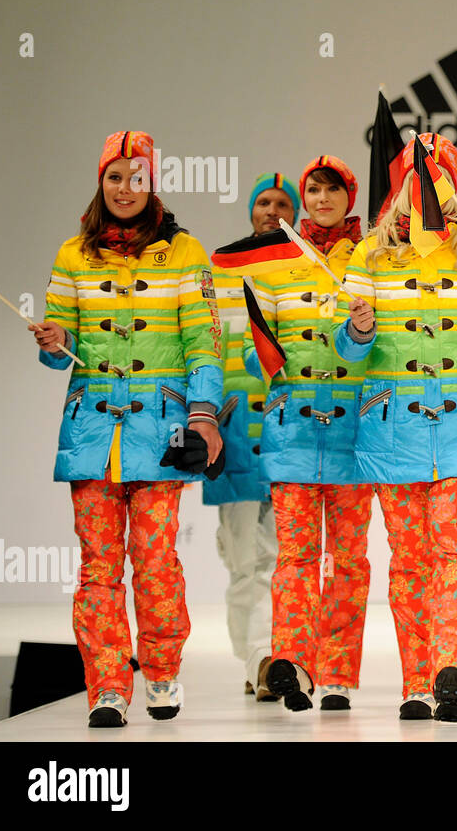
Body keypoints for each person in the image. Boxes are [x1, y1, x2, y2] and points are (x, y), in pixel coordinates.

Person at [336, 133, 457, 721]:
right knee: (408, 558)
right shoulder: (365, 258)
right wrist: (359, 333)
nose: (436, 201)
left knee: (456, 551)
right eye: (424, 186)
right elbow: (347, 353)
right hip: (392, 428)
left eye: (445, 188)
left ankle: (453, 668)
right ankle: (416, 680)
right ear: (401, 189)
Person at [31, 130, 224, 726]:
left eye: (135, 176)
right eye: (114, 177)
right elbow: (59, 349)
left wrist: (202, 415)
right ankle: (108, 686)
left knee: (156, 560)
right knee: (97, 566)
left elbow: (205, 343)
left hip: (161, 432)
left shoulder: (186, 251)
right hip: (92, 431)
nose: (123, 188)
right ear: (101, 182)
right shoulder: (73, 253)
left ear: (152, 183)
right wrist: (55, 343)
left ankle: (162, 672)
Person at [245, 155, 373, 712]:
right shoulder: (275, 263)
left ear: (350, 197)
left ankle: (340, 672)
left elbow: (383, 346)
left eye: (332, 190)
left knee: (348, 559)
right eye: (314, 190)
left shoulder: (372, 258)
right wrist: (264, 359)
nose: (322, 199)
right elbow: (256, 353)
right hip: (292, 429)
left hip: (355, 430)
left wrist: (361, 332)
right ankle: (293, 664)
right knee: (295, 557)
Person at [203, 173, 299, 701]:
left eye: (282, 203)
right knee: (245, 563)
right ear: (250, 211)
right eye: (263, 201)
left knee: (285, 562)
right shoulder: (216, 274)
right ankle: (253, 662)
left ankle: (272, 660)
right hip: (235, 438)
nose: (271, 209)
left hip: (292, 437)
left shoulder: (307, 272)